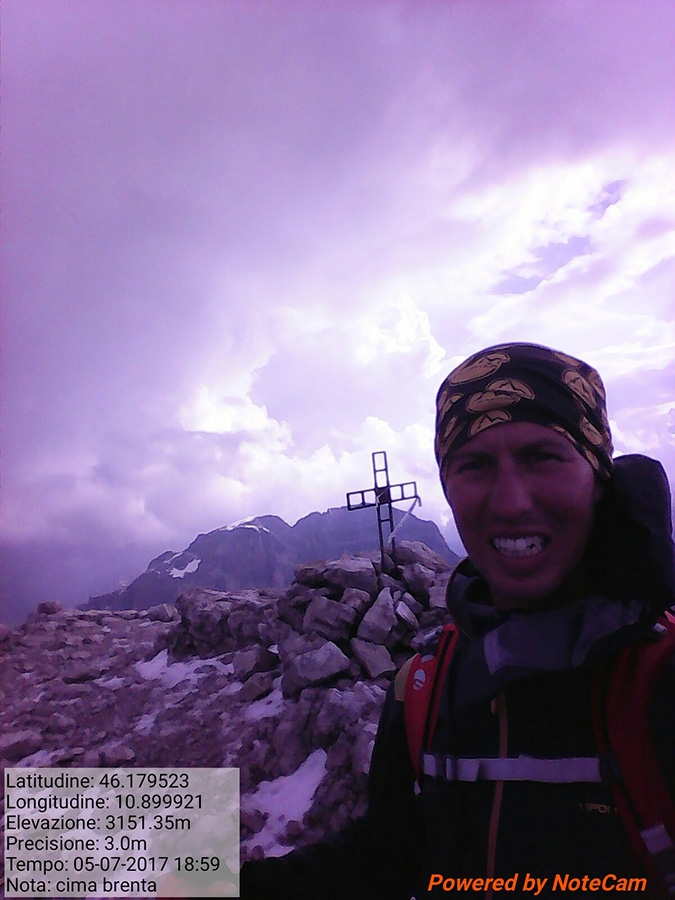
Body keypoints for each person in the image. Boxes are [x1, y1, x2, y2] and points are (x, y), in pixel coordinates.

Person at [241, 342, 675, 899]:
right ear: (447, 487)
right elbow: (391, 855)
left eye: (542, 455)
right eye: (474, 464)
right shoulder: (426, 684)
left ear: (599, 477)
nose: (512, 501)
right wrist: (189, 877)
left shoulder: (659, 679)